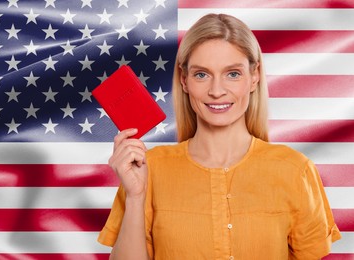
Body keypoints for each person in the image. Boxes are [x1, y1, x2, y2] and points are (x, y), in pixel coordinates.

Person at [97, 13, 341, 259]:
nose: (216, 91)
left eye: (232, 74)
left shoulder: (294, 170)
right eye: (201, 74)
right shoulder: (148, 169)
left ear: (254, 76)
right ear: (184, 80)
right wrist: (136, 197)